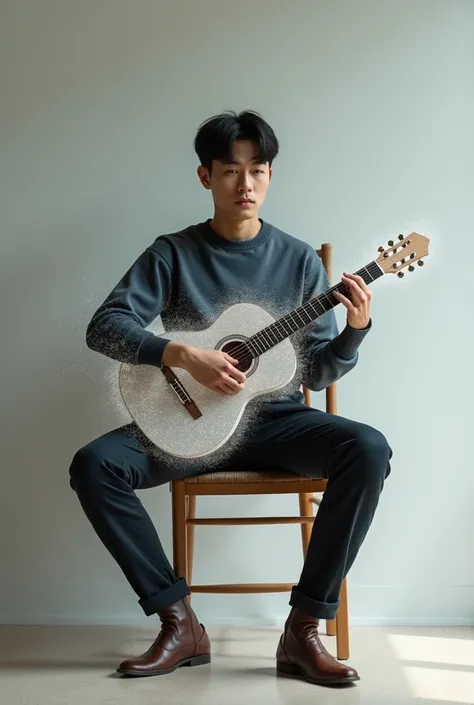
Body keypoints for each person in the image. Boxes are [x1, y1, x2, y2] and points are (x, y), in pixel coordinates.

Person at [69, 110, 392, 687]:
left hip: (278, 424)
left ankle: (303, 630)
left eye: (258, 171)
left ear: (270, 177)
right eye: (230, 171)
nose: (245, 185)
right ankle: (178, 621)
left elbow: (317, 372)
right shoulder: (171, 253)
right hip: (188, 428)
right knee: (95, 465)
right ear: (205, 177)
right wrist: (181, 355)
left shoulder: (298, 261)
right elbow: (105, 327)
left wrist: (354, 330)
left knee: (368, 450)